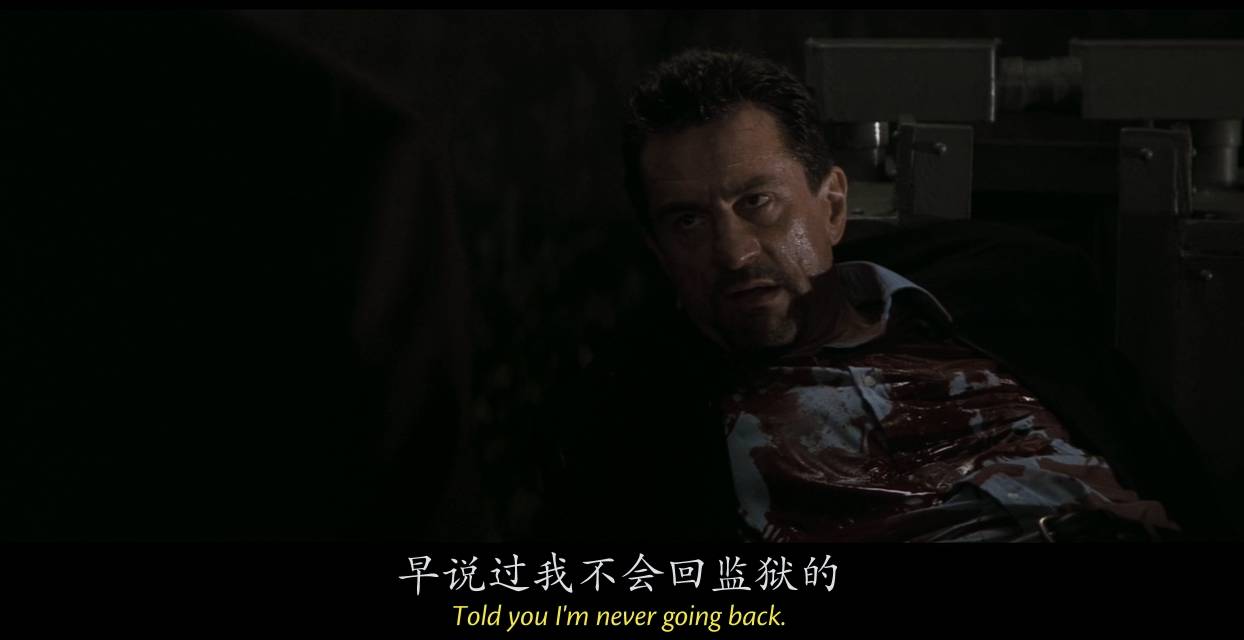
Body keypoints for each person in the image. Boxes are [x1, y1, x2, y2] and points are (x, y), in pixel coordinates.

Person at [537, 49, 1224, 542]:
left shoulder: (1003, 306)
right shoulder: (647, 424)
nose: (734, 251)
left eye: (757, 202)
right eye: (688, 221)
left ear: (833, 206)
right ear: (659, 252)